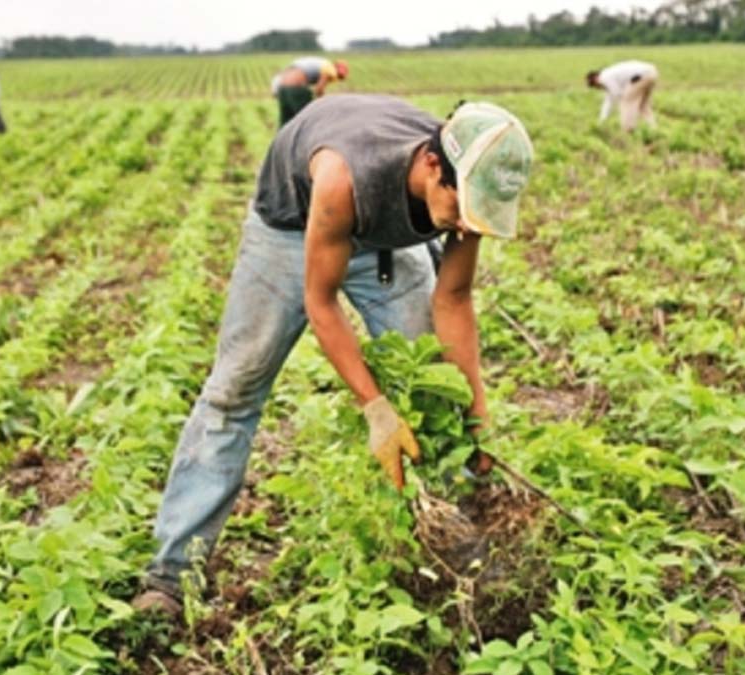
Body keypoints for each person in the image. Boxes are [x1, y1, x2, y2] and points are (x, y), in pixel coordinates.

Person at [132, 95, 533, 616]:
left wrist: (477, 417)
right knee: (235, 390)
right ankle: (171, 574)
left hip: (387, 240)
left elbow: (453, 300)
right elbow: (321, 304)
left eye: (477, 215)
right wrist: (376, 408)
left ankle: (459, 556)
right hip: (294, 229)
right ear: (432, 166)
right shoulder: (344, 174)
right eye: (461, 207)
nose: (463, 225)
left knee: (432, 390)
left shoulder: (464, 181)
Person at [270, 56, 349, 126]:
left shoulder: (319, 63)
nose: (336, 79)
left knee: (286, 121)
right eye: (339, 77)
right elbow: (319, 89)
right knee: (308, 120)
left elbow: (281, 75)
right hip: (297, 89)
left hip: (283, 89)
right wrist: (324, 103)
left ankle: (282, 142)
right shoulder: (330, 69)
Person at [586, 60, 659, 132]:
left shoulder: (604, 78)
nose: (597, 88)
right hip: (651, 72)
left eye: (594, 85)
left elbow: (617, 94)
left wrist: (601, 121)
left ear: (596, 78)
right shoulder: (608, 75)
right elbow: (608, 101)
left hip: (642, 76)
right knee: (643, 106)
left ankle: (628, 130)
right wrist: (602, 120)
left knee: (625, 102)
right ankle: (653, 128)